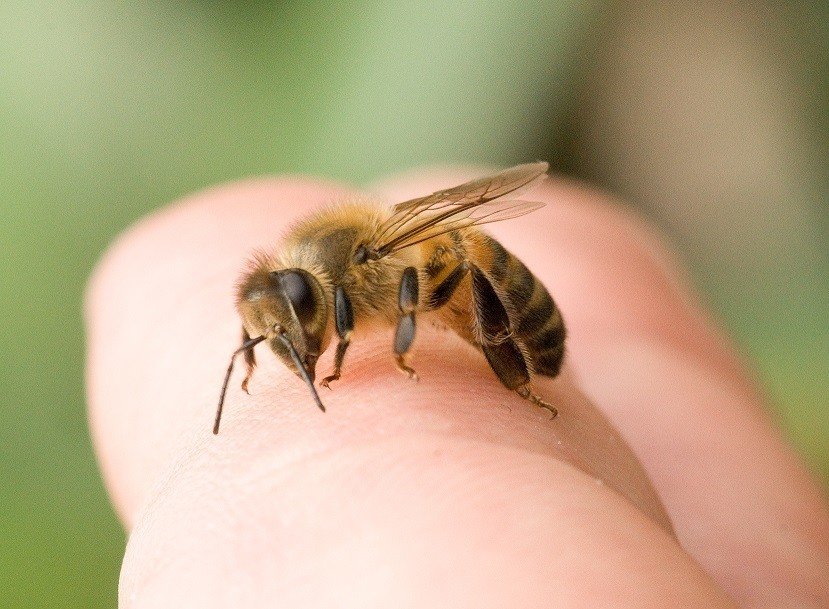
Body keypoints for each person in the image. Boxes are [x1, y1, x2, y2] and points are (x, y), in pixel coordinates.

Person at [86, 169, 829, 607]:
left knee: (453, 270)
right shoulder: (311, 284)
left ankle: (518, 377)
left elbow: (400, 287)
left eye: (299, 327)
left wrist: (402, 351)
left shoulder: (359, 267)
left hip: (487, 287)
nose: (302, 342)